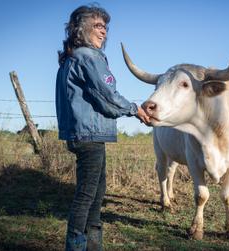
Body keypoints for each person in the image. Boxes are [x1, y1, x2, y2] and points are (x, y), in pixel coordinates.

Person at [55, 4, 150, 251]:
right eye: (98, 25)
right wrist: (135, 109)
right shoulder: (88, 57)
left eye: (105, 27)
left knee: (96, 195)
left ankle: (93, 246)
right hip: (89, 136)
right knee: (87, 196)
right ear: (79, 28)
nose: (104, 31)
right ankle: (76, 245)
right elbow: (107, 96)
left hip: (84, 134)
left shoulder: (70, 59)